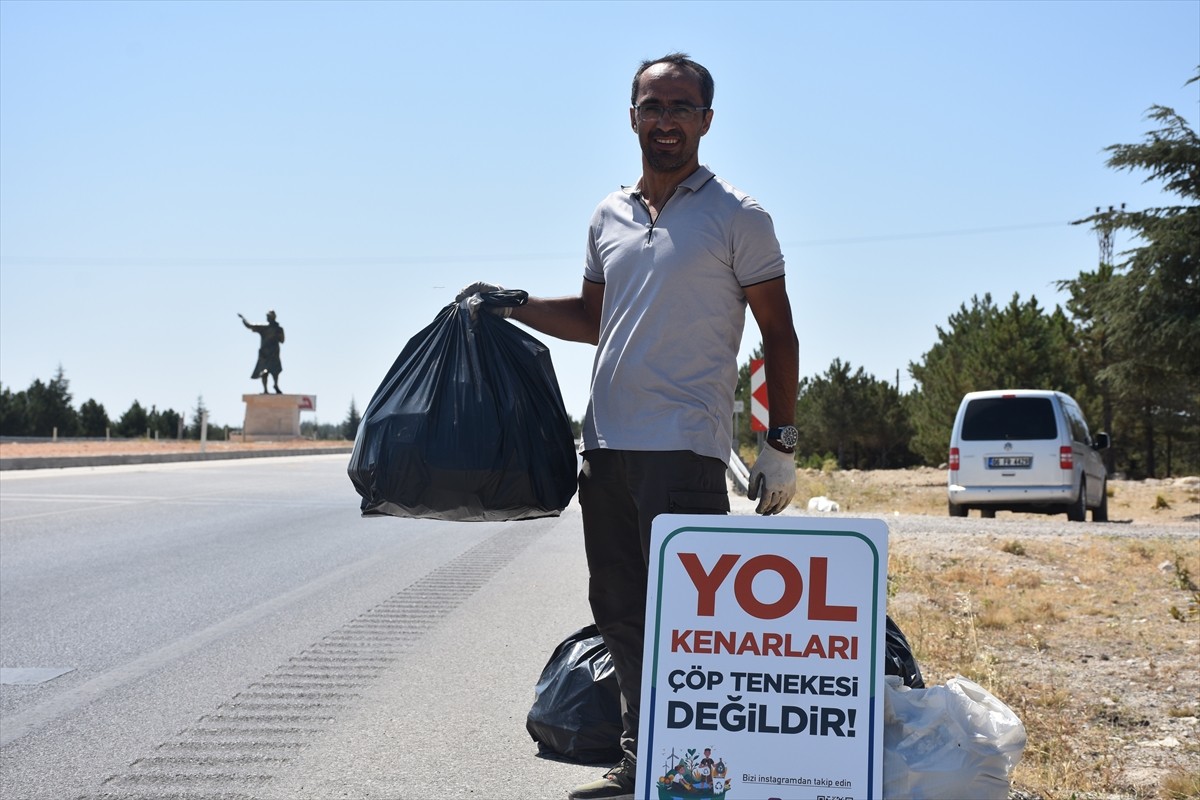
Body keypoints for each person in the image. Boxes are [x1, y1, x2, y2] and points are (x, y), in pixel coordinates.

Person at [457, 52, 798, 800]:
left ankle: (699, 774)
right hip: (605, 448)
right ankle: (647, 767)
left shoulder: (739, 215)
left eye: (681, 107)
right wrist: (511, 306)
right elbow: (590, 320)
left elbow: (779, 334)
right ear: (632, 115)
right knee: (619, 612)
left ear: (706, 121)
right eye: (653, 106)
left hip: (684, 450)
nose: (666, 120)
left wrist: (779, 444)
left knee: (687, 623)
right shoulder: (606, 215)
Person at [238, 310, 285, 394]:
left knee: (270, 371)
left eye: (268, 317)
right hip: (269, 353)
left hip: (268, 353)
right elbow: (282, 340)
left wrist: (243, 319)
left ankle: (271, 387)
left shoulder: (267, 328)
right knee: (270, 371)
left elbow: (249, 325)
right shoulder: (277, 328)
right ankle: (271, 387)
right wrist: (243, 319)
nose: (267, 318)